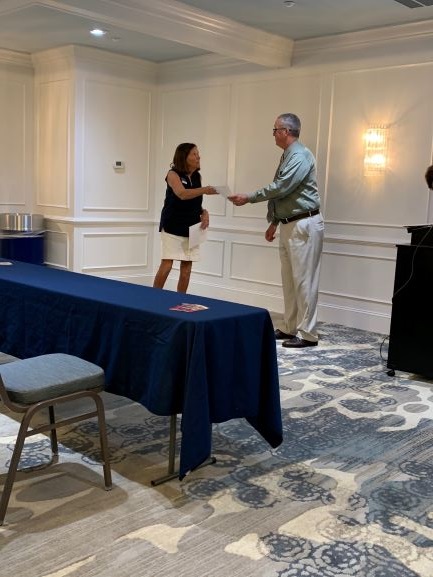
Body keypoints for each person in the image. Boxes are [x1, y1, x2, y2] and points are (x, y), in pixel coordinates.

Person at [229, 113, 324, 348]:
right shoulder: (288, 155)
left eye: (275, 129)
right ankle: (290, 327)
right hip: (290, 223)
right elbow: (285, 194)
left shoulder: (300, 155)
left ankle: (308, 334)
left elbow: (281, 187)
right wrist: (274, 222)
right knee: (290, 280)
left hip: (304, 224)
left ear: (286, 131)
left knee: (304, 281)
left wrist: (249, 197)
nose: (273, 134)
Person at [153, 142, 217, 293]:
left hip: (192, 227)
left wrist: (204, 212)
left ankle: (181, 300)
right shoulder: (172, 174)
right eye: (194, 154)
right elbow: (182, 194)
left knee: (187, 270)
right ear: (184, 157)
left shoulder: (197, 176)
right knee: (167, 265)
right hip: (172, 225)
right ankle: (152, 298)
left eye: (198, 154)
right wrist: (205, 189)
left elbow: (195, 202)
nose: (198, 157)